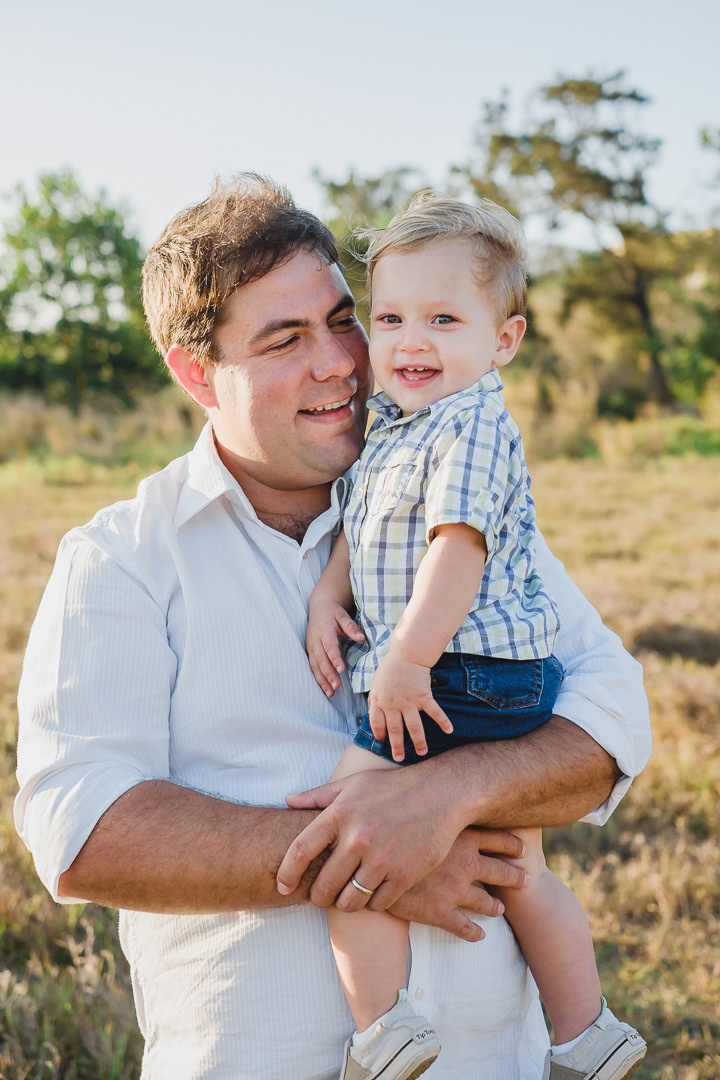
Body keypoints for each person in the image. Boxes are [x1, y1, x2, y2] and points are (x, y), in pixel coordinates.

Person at [14, 174, 651, 1080]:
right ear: (197, 373)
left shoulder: (455, 509)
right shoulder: (120, 558)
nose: (342, 363)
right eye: (284, 340)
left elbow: (613, 724)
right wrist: (371, 852)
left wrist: (445, 797)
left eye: (346, 320)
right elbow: (80, 832)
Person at [280, 193, 646, 1080]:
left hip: (462, 672)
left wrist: (405, 659)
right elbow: (365, 534)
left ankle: (384, 1030)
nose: (411, 342)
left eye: (444, 319)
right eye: (392, 317)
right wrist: (332, 593)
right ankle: (587, 1032)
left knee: (350, 833)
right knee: (521, 872)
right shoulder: (397, 431)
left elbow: (457, 551)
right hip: (489, 675)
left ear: (505, 339)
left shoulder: (471, 424)